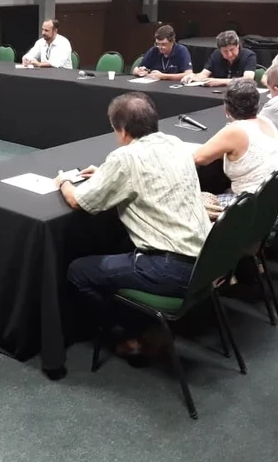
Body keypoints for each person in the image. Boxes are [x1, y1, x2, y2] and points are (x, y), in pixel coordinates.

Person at [59, 92, 210, 360]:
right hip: (207, 260)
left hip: (171, 269)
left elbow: (78, 200)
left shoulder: (125, 157)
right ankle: (143, 322)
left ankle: (131, 334)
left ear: (121, 130)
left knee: (78, 271)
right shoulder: (175, 143)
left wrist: (63, 182)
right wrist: (106, 175)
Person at [192, 79, 278, 220]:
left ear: (226, 108)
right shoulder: (266, 121)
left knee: (194, 205)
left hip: (257, 212)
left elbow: (198, 158)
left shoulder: (235, 130)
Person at [184, 30, 256, 87]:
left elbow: (248, 80)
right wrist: (193, 76)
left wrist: (220, 81)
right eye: (225, 51)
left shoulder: (249, 55)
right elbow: (203, 74)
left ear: (237, 46)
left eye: (232, 50)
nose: (229, 54)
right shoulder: (216, 54)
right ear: (220, 50)